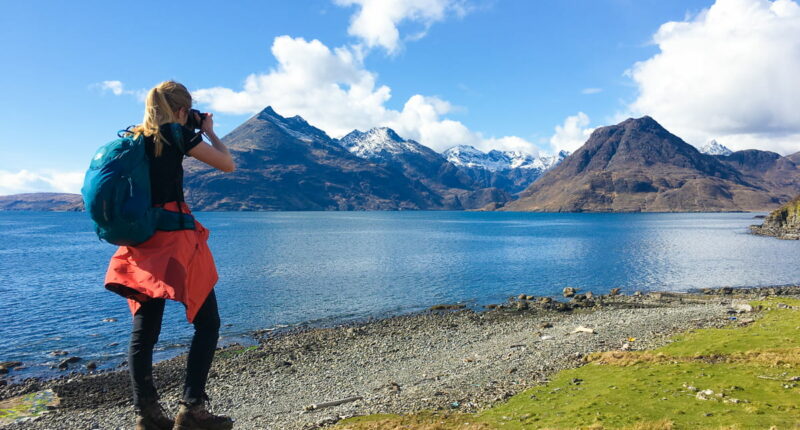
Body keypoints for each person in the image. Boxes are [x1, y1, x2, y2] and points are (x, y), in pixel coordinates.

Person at [103, 81, 236, 430]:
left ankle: (146, 414)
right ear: (181, 110)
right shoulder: (177, 135)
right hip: (175, 240)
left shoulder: (133, 138)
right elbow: (226, 164)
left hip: (141, 240)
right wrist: (209, 132)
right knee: (208, 324)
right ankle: (192, 409)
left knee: (145, 330)